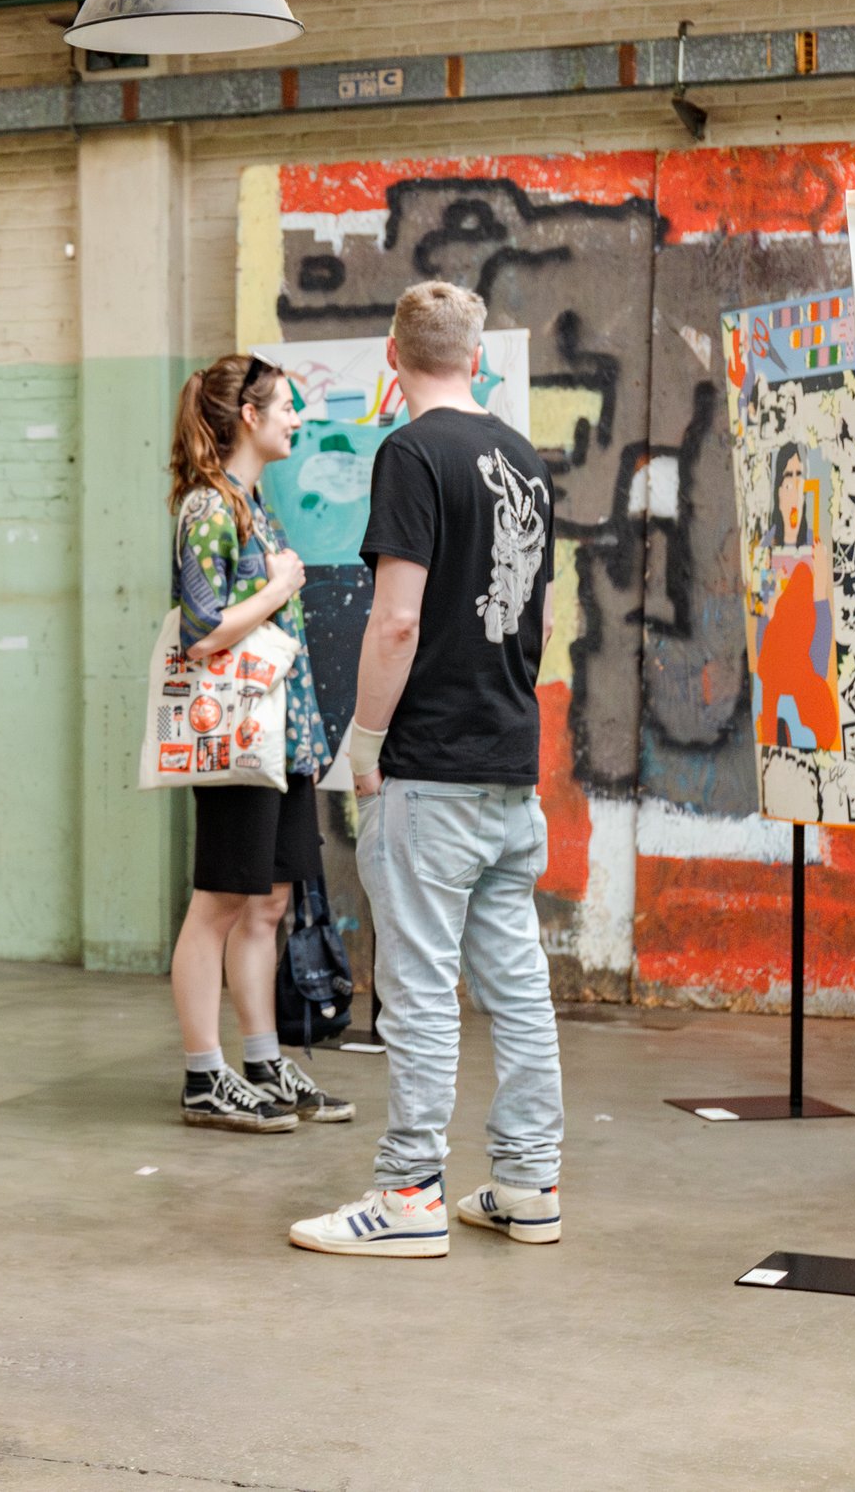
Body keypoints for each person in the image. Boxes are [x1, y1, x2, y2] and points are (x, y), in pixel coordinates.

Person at [289, 281, 562, 1257]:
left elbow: (397, 619)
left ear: (392, 357)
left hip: (430, 768)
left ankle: (408, 1193)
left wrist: (364, 740)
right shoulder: (524, 459)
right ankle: (528, 1183)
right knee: (517, 988)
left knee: (417, 989)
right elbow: (532, 616)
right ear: (476, 357)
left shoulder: (409, 452)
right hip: (508, 764)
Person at [167, 353, 352, 1134]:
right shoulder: (209, 508)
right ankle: (203, 1074)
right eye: (285, 406)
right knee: (218, 901)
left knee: (269, 900)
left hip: (281, 736)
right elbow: (200, 630)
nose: (296, 419)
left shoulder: (253, 504)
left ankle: (262, 1057)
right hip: (238, 736)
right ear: (249, 415)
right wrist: (278, 588)